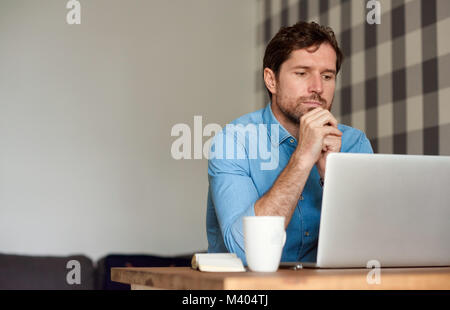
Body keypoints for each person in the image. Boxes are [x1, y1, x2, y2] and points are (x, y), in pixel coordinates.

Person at [206, 21, 373, 264]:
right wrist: (303, 157)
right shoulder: (233, 141)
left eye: (327, 76)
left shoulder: (353, 143)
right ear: (271, 80)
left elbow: (371, 249)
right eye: (302, 73)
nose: (317, 88)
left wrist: (333, 175)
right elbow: (247, 251)